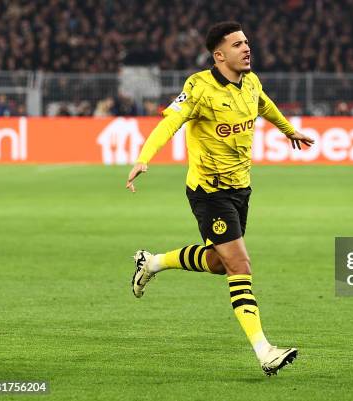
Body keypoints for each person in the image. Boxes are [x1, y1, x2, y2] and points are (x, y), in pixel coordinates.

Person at [125, 21, 314, 376]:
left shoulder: (252, 82)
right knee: (239, 266)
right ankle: (264, 351)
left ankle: (151, 263)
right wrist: (143, 157)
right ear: (219, 54)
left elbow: (265, 105)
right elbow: (169, 123)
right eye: (238, 44)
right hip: (209, 192)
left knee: (217, 262)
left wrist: (290, 131)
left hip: (241, 188)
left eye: (247, 42)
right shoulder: (198, 87)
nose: (247, 48)